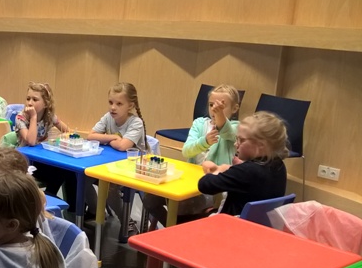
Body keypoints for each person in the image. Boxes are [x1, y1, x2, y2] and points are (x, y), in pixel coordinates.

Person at [144, 84, 242, 225]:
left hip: (213, 189)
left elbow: (227, 132)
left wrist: (219, 114)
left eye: (221, 106)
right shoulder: (199, 124)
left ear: (234, 109)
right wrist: (204, 142)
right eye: (212, 105)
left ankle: (181, 228)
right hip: (190, 181)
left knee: (182, 206)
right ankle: (174, 227)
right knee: (150, 200)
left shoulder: (236, 126)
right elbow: (187, 150)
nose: (215, 109)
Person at [84, 82, 148, 233]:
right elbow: (90, 136)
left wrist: (106, 139)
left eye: (119, 104)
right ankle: (94, 210)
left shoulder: (136, 123)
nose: (113, 107)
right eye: (111, 102)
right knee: (83, 178)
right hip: (110, 164)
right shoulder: (108, 117)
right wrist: (112, 137)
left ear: (130, 106)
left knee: (110, 190)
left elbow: (123, 146)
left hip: (133, 168)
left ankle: (127, 222)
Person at [198, 111, 288, 216]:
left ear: (261, 145)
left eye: (241, 140)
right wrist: (232, 169)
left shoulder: (246, 171)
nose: (236, 144)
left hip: (232, 223)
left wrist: (219, 170)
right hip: (260, 223)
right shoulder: (279, 165)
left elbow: (204, 185)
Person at [14, 82, 74, 211]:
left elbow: (68, 131)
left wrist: (60, 137)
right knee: (59, 172)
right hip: (25, 162)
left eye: (35, 99)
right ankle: (46, 200)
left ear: (46, 104)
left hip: (42, 159)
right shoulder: (20, 118)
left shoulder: (49, 117)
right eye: (28, 98)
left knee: (66, 170)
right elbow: (31, 141)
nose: (30, 103)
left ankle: (65, 205)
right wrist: (33, 117)